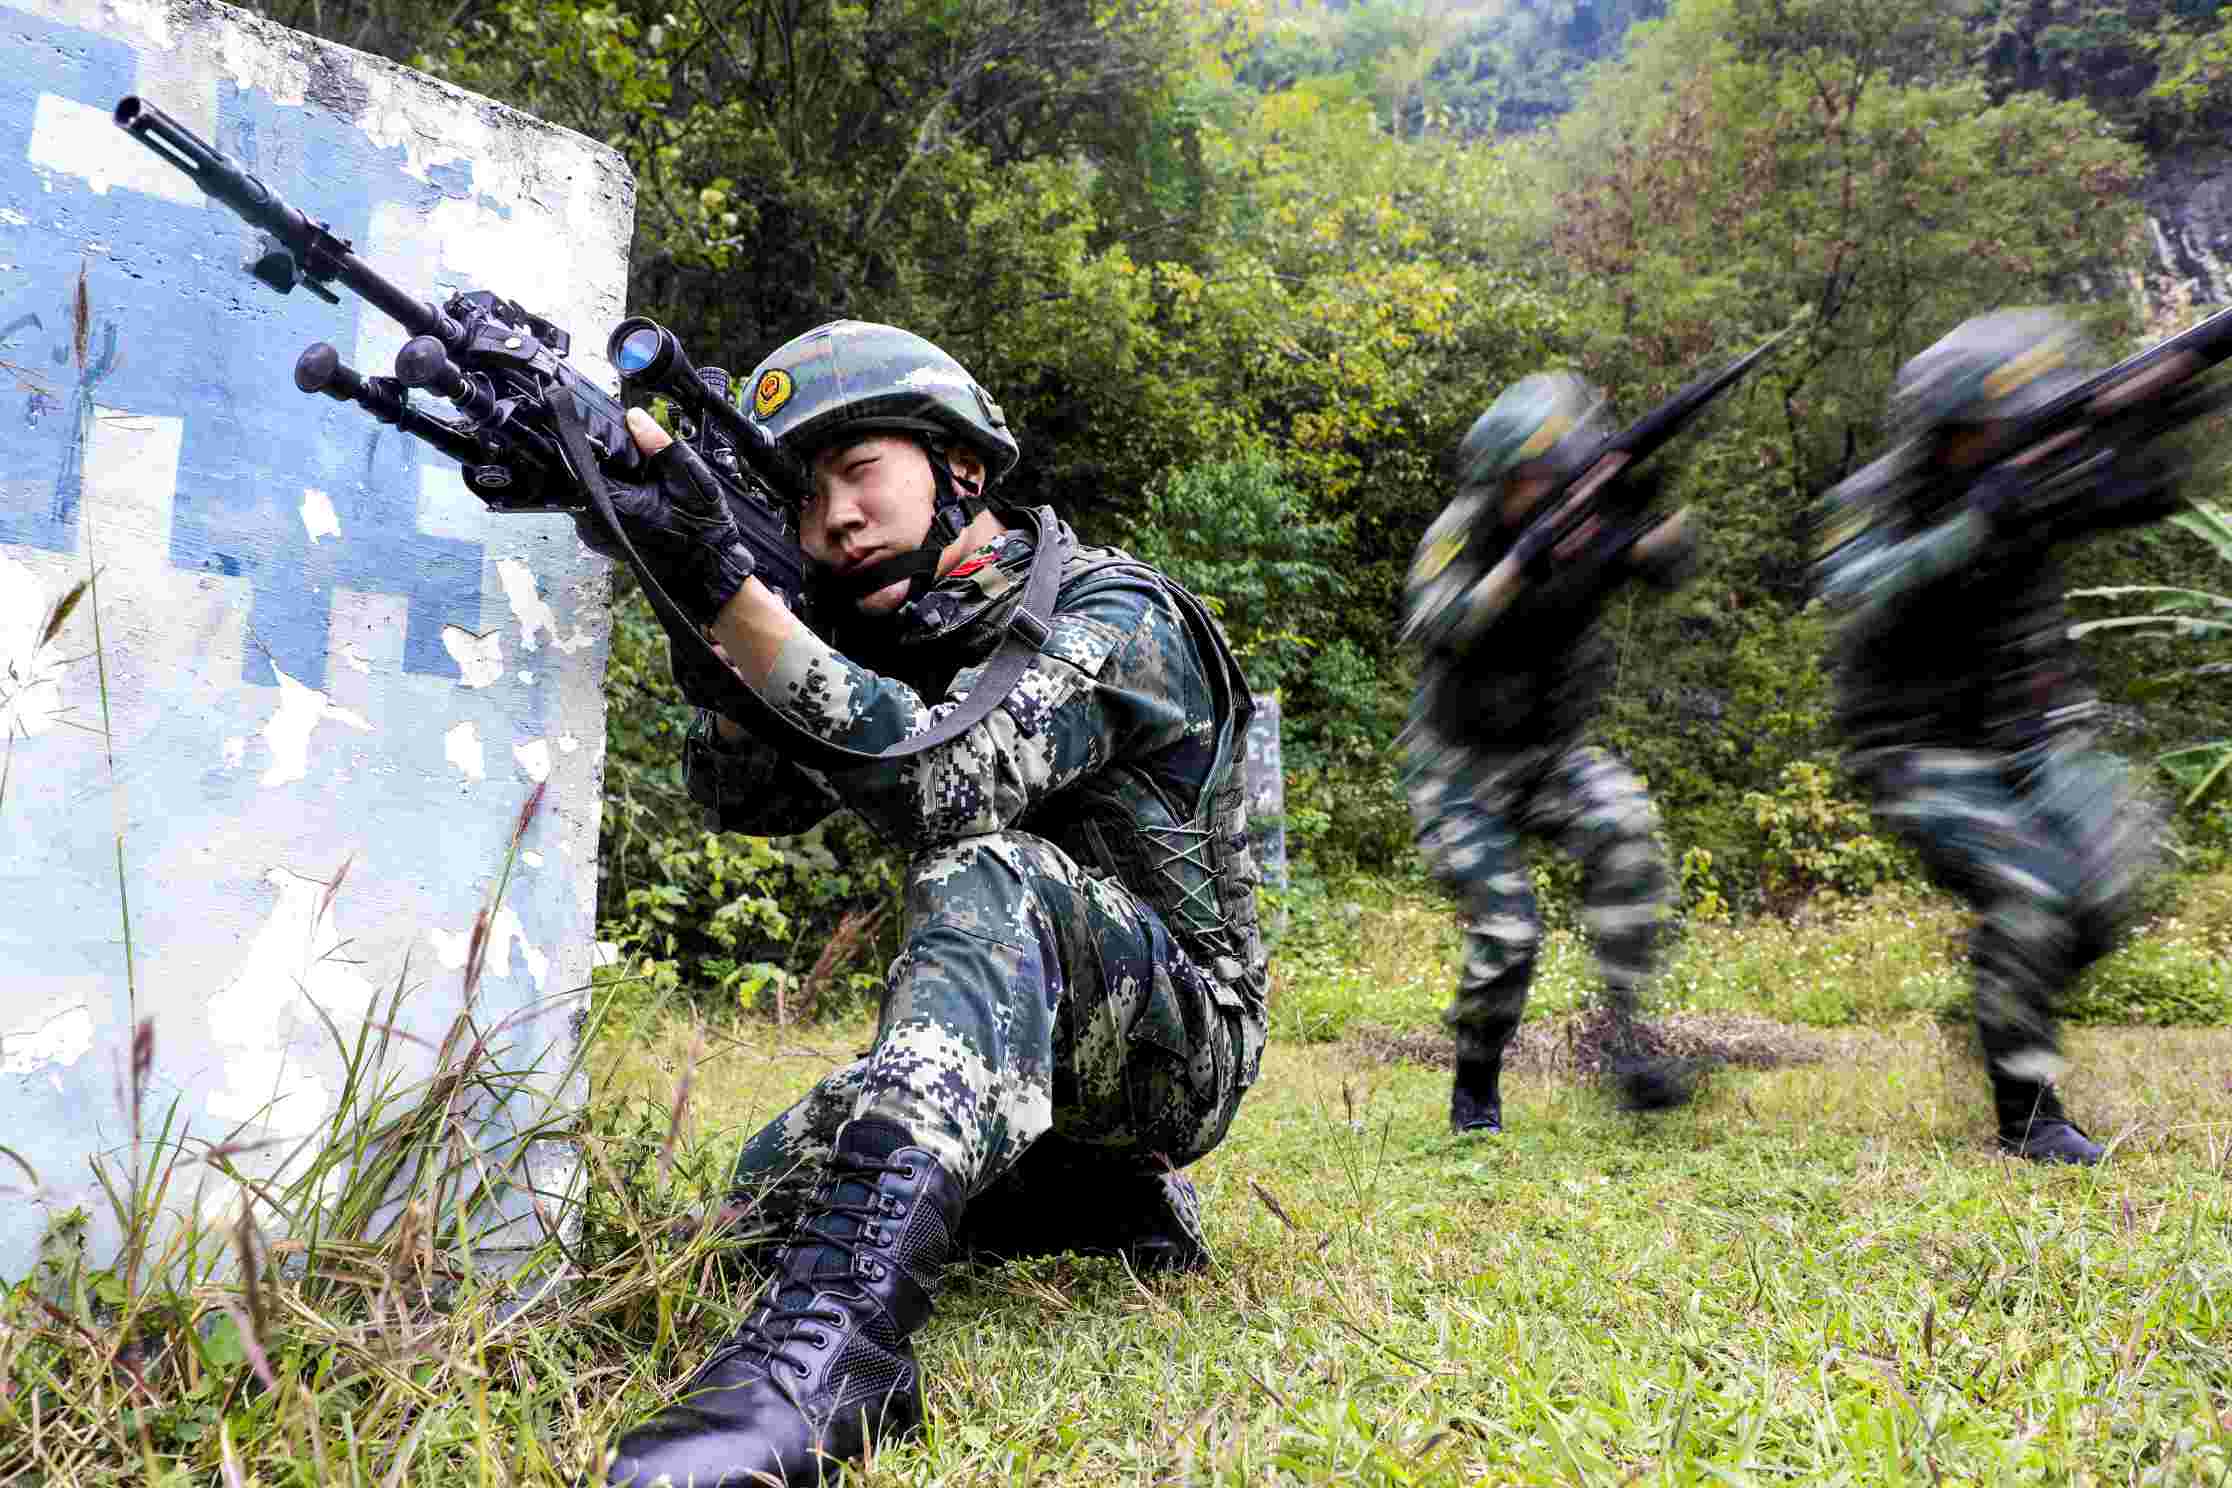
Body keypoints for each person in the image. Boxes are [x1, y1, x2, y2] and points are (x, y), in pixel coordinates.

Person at [582, 319, 1267, 1487]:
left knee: (984, 864)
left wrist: (742, 603)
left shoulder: (1117, 614)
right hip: (1033, 1051)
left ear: (962, 468)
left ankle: (839, 1356)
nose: (832, 520)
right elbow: (737, 795)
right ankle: (1090, 1196)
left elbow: (950, 785)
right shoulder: (892, 633)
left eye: (859, 473)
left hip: (1182, 1040)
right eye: (802, 502)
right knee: (758, 1200)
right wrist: (713, 623)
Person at [1815, 307, 2186, 1167]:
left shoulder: (2038, 473)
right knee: (2032, 893)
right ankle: (2030, 1117)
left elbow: (2150, 494)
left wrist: (2154, 416)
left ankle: (2002, 988)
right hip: (1916, 751)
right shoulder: (1878, 498)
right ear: (1950, 431)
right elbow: (1853, 582)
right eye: (1999, 426)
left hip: (2030, 737)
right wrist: (1973, 524)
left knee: (2111, 880)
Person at [1400, 371, 1698, 1136]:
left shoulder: (1588, 519)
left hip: (1552, 755)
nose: (1542, 489)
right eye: (1528, 479)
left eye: (1553, 474)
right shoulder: (1460, 535)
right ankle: (1476, 1088)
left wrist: (1641, 529)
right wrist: (1520, 565)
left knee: (1629, 837)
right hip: (1458, 771)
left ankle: (1627, 1038)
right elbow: (1438, 626)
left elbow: (1668, 560)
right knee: (1508, 932)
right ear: (1498, 481)